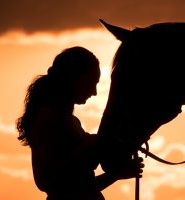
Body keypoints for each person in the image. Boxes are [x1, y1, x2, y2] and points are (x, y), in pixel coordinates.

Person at [16, 46, 144, 200]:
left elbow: (80, 187)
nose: (94, 92)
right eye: (92, 82)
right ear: (74, 78)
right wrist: (91, 145)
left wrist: (115, 174)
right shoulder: (47, 118)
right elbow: (47, 182)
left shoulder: (70, 120)